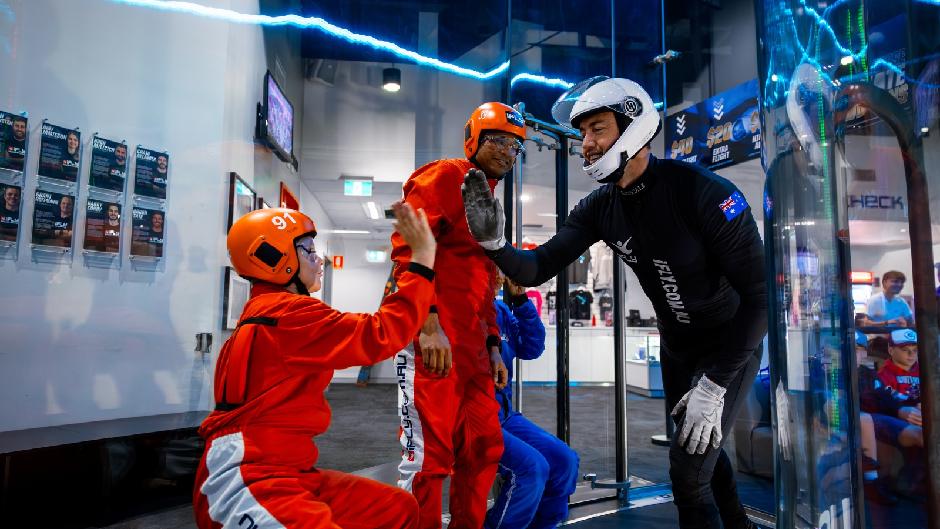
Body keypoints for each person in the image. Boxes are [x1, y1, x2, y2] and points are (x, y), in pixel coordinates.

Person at [462, 77, 767, 529]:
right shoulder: (601, 205)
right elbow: (538, 267)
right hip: (678, 346)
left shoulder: (705, 193)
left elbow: (761, 298)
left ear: (634, 127)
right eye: (582, 133)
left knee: (686, 474)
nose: (585, 144)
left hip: (729, 347)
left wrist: (715, 385)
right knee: (702, 448)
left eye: (597, 130)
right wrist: (495, 242)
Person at [193, 203, 436, 529]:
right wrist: (422, 262)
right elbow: (380, 334)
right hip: (246, 479)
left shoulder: (269, 311)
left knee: (396, 508)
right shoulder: (286, 314)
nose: (318, 259)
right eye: (307, 250)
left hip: (285, 470)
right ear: (271, 257)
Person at [391, 101, 521, 529]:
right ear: (476, 140)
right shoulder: (445, 176)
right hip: (434, 345)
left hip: (473, 353)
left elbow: (484, 281)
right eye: (500, 140)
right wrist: (427, 324)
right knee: (428, 458)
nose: (507, 151)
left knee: (484, 448)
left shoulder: (489, 201)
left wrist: (493, 344)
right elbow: (408, 250)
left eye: (516, 146)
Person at [486, 273, 578, 529]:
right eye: (490, 269)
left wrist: (522, 301)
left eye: (499, 271)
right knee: (531, 469)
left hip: (504, 416)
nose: (497, 276)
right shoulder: (461, 310)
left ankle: (543, 524)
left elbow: (532, 347)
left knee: (564, 460)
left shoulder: (501, 311)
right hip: (475, 420)